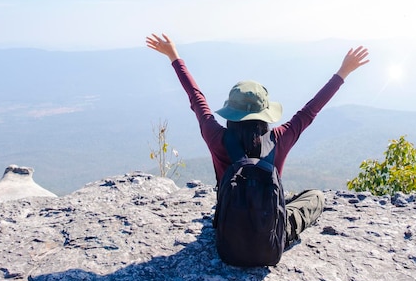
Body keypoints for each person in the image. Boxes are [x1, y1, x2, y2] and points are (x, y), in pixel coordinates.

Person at [146, 33, 370, 248]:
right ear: (265, 113)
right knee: (315, 197)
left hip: (228, 231)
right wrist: (343, 72)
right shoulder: (280, 138)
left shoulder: (216, 137)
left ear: (231, 111)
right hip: (272, 234)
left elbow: (197, 98)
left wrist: (174, 56)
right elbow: (310, 111)